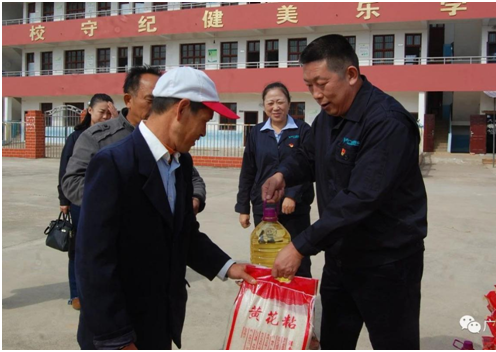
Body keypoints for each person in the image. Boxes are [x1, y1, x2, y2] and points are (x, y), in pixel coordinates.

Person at [261, 34, 428, 350]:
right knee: (335, 341)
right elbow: (308, 155)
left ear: (351, 75)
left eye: (322, 83)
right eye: (309, 86)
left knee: (395, 344)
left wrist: (300, 246)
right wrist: (283, 174)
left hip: (387, 263)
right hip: (341, 259)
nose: (316, 94)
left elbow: (360, 198)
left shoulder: (386, 122)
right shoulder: (327, 118)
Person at [75, 67, 256, 350]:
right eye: (204, 121)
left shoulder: (180, 163)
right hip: (120, 329)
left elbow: (184, 232)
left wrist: (228, 267)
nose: (204, 133)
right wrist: (117, 339)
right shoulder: (114, 164)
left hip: (159, 322)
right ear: (182, 109)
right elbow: (93, 262)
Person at [62, 65, 207, 214]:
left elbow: (193, 178)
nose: (157, 107)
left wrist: (195, 198)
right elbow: (72, 183)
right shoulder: (98, 138)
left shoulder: (169, 141)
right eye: (150, 100)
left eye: (161, 101)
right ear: (128, 100)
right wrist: (123, 200)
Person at [235, 82, 314, 277]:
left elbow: (307, 165)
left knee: (298, 259)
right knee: (267, 258)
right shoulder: (256, 132)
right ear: (264, 105)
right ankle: (273, 304)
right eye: (270, 103)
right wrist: (243, 207)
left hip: (295, 210)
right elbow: (248, 171)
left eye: (280, 102)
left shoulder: (303, 130)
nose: (275, 107)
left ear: (289, 103)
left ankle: (299, 304)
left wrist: (292, 196)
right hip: (264, 207)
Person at [57, 93, 117, 311]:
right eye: (101, 112)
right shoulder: (77, 137)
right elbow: (65, 170)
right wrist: (64, 199)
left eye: (108, 113)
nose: (104, 116)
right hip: (80, 201)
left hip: (108, 202)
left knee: (105, 246)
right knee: (79, 248)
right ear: (89, 110)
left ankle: (101, 290)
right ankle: (77, 294)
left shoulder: (112, 136)